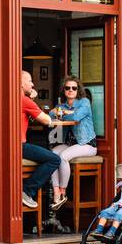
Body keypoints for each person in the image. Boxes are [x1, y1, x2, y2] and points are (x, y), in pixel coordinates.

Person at [49, 76, 97, 210]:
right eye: (67, 88)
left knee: (63, 156)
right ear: (64, 90)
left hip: (87, 144)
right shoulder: (62, 105)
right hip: (71, 144)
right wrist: (57, 112)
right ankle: (56, 191)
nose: (70, 90)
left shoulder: (84, 102)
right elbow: (50, 115)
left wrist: (62, 113)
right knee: (52, 155)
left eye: (74, 88)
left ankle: (63, 192)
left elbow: (76, 116)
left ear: (78, 90)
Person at [20, 70, 59, 217]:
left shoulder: (12, 98)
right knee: (54, 159)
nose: (33, 84)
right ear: (20, 83)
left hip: (9, 147)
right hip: (19, 146)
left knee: (45, 152)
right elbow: (47, 120)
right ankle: (27, 190)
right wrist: (32, 100)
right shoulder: (24, 99)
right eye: (29, 81)